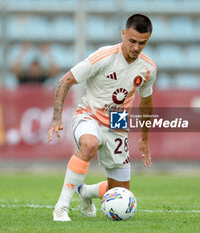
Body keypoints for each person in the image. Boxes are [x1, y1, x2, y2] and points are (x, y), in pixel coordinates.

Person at [47, 14, 156, 222]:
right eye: (132, 41)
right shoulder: (104, 56)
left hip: (118, 124)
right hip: (89, 115)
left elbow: (146, 103)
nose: (136, 47)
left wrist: (144, 138)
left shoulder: (148, 68)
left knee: (122, 195)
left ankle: (85, 192)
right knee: (89, 144)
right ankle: (61, 207)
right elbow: (65, 81)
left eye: (142, 43)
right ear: (123, 34)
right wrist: (56, 118)